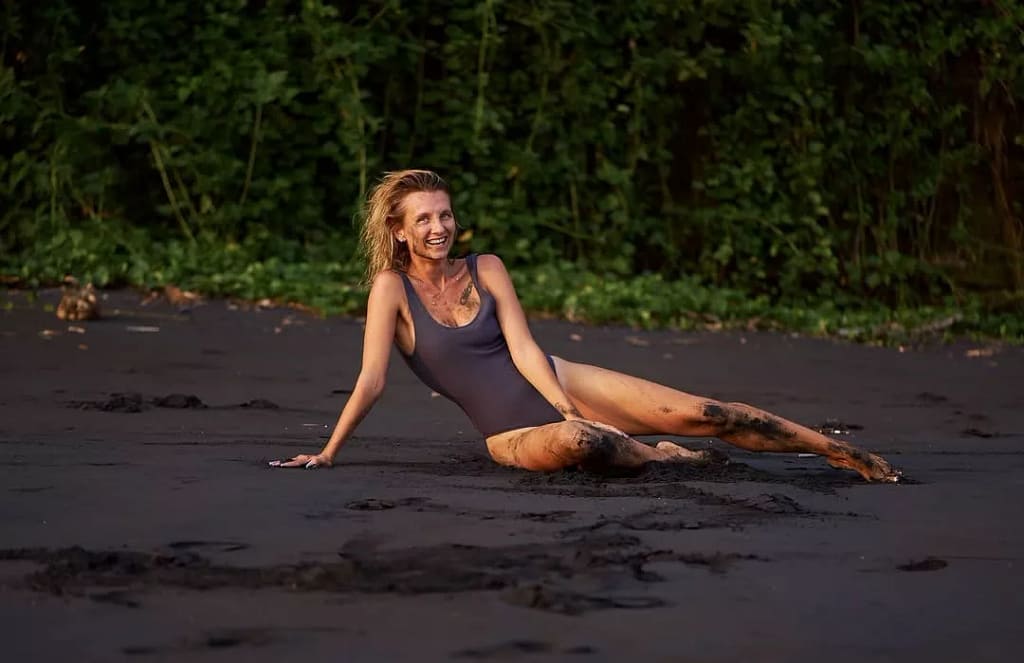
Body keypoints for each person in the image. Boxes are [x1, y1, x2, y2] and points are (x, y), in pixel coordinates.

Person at [270, 169, 900, 482]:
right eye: (425, 219)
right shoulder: (391, 290)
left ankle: (838, 452)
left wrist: (569, 404)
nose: (439, 228)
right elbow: (372, 380)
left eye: (447, 214)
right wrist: (329, 452)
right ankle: (658, 455)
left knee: (706, 411)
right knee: (585, 447)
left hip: (563, 384)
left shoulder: (486, 267)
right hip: (509, 432)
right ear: (399, 231)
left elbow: (523, 348)